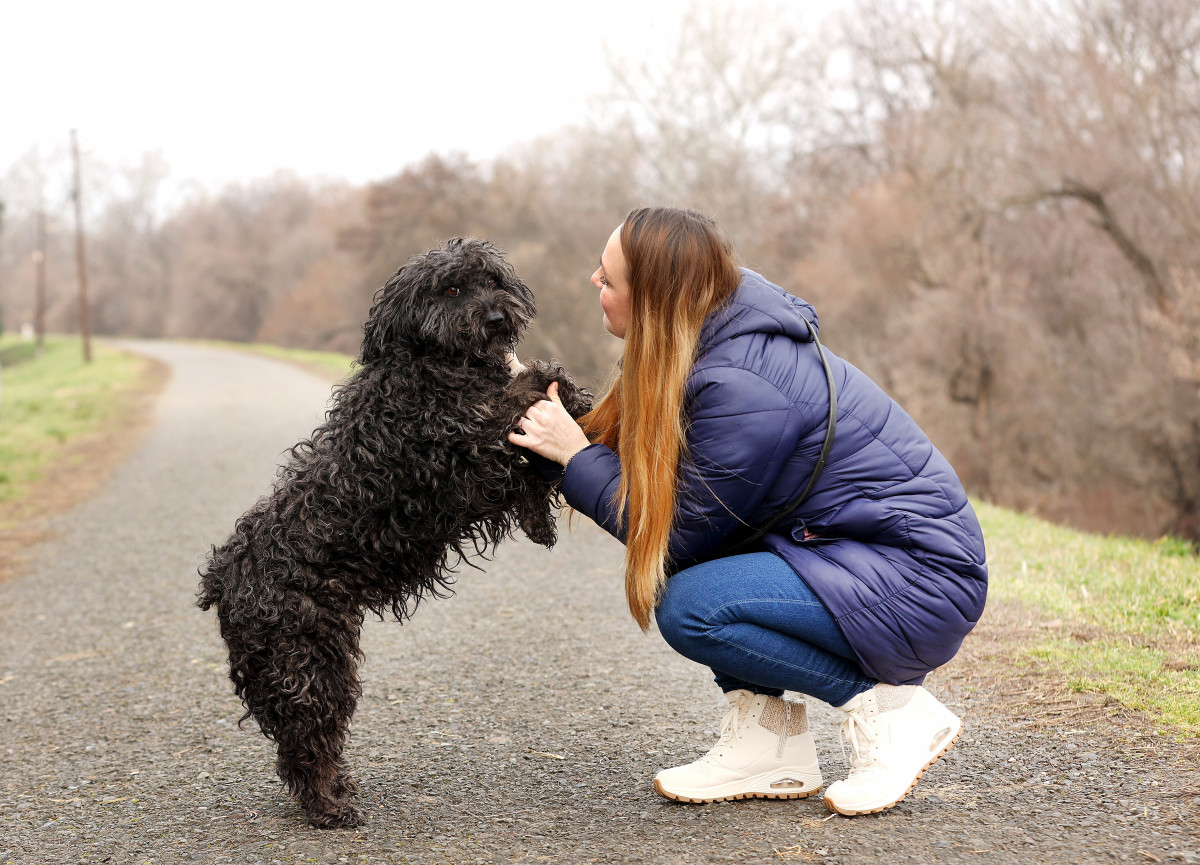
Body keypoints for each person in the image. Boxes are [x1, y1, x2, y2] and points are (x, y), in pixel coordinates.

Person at [508, 206, 987, 816]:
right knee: (708, 563)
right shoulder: (706, 339)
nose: (593, 281)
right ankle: (767, 743)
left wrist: (575, 456)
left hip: (920, 580)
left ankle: (891, 713)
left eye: (608, 277)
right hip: (853, 557)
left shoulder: (742, 383)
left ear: (652, 298)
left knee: (692, 607)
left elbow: (676, 534)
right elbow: (670, 493)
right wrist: (538, 413)